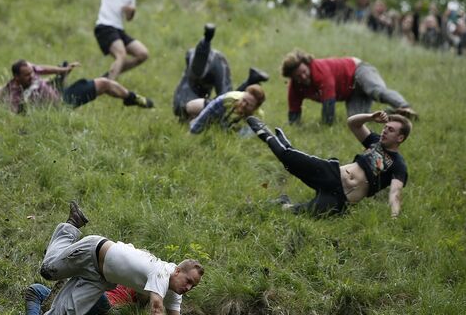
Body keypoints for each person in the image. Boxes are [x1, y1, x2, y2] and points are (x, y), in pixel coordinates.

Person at [8, 201, 209, 315]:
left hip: (102, 279)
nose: (188, 287)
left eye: (193, 286)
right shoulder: (163, 271)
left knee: (65, 313)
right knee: (48, 270)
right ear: (177, 271)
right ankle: (71, 226)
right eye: (188, 281)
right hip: (93, 251)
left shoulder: (174, 291)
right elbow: (157, 308)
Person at [247, 111, 411, 218]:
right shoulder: (374, 141)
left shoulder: (398, 165)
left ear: (400, 138)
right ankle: (265, 133)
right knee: (288, 159)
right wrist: (369, 117)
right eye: (385, 127)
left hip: (340, 199)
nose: (384, 130)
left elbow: (395, 193)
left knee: (301, 213)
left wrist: (394, 217)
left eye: (390, 129)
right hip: (331, 175)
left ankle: (283, 202)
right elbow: (352, 123)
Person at [281, 50, 418, 125]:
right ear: (292, 77)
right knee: (358, 119)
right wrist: (294, 125)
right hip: (351, 93)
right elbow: (294, 110)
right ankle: (397, 113)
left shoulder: (319, 71)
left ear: (307, 65)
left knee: (376, 91)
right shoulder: (294, 87)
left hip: (358, 71)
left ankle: (405, 106)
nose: (303, 77)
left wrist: (326, 126)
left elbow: (329, 103)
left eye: (304, 72)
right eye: (298, 76)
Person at [62, 0, 148, 80]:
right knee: (121, 54)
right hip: (105, 27)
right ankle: (109, 84)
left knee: (143, 54)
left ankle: (108, 77)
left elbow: (129, 18)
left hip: (119, 29)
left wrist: (131, 11)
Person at [173, 23, 268, 121]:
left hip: (208, 62)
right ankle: (251, 79)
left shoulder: (184, 103)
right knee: (225, 97)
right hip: (214, 61)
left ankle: (205, 42)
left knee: (184, 104)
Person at [0, 59, 153, 112]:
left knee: (104, 83)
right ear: (16, 77)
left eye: (32, 72)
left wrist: (63, 69)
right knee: (104, 83)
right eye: (27, 75)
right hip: (61, 106)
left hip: (61, 93)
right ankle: (60, 78)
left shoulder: (30, 71)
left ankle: (132, 98)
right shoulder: (14, 91)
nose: (32, 75)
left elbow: (43, 69)